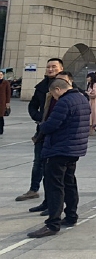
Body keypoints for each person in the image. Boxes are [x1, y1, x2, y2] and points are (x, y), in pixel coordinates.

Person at [27, 77, 90, 238]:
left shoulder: (64, 102)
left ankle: (52, 224)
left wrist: (41, 125)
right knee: (69, 183)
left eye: (53, 95)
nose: (54, 98)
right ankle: (71, 215)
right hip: (74, 148)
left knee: (55, 186)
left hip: (59, 149)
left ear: (57, 89)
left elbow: (51, 125)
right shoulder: (82, 99)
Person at [16, 58, 62, 202]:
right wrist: (39, 118)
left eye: (54, 67)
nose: (50, 69)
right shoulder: (42, 87)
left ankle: (54, 196)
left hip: (60, 132)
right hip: (42, 131)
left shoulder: (67, 86)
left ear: (61, 68)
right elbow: (32, 105)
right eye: (48, 67)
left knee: (57, 166)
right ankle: (33, 189)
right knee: (38, 162)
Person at [0, 69, 10, 135]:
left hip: (2, 102)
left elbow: (8, 93)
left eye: (1, 75)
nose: (0, 76)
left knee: (1, 116)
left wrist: (7, 102)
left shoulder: (6, 82)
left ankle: (1, 129)